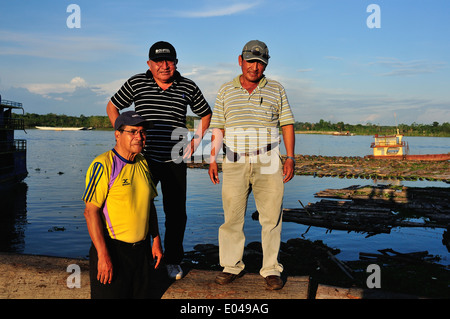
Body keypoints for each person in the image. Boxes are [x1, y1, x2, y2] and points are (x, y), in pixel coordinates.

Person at [106, 41, 212, 280]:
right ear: (149, 64)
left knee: (176, 213)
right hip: (143, 160)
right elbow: (112, 106)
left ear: (176, 62)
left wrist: (196, 140)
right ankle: (143, 259)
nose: (164, 66)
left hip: (176, 159)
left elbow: (205, 113)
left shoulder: (187, 86)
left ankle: (173, 261)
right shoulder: (137, 83)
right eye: (158, 62)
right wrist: (122, 133)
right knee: (140, 209)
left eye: (169, 61)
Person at [208, 40, 295, 290]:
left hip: (269, 159)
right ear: (240, 60)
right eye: (250, 61)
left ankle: (270, 269)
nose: (254, 67)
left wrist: (290, 157)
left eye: (260, 62)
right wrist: (212, 158)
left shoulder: (276, 89)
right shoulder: (225, 90)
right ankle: (231, 266)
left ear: (266, 64)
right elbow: (219, 127)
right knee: (232, 217)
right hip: (233, 160)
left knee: (271, 218)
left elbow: (287, 124)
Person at [83, 111, 163, 298]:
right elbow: (90, 212)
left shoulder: (142, 162)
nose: (139, 137)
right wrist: (103, 256)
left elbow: (149, 205)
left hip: (141, 252)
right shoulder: (103, 164)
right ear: (117, 134)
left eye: (142, 132)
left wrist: (156, 241)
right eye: (133, 132)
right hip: (113, 251)